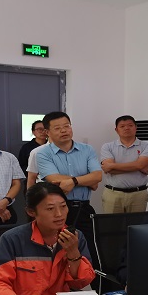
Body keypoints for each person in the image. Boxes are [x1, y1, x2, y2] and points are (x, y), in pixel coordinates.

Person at [36, 111, 102, 267]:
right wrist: (87, 180)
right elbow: (55, 179)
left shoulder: (87, 149)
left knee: (91, 252)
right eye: (58, 128)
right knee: (57, 252)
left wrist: (73, 181)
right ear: (47, 132)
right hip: (57, 211)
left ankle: (91, 281)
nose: (64, 130)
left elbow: (98, 176)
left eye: (66, 126)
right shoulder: (43, 154)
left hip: (84, 208)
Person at [100, 115, 148, 213]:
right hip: (113, 194)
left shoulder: (147, 146)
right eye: (122, 126)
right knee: (112, 223)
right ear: (116, 130)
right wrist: (137, 166)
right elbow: (109, 170)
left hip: (138, 194)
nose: (126, 128)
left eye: (130, 125)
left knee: (136, 223)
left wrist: (112, 165)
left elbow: (140, 165)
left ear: (136, 127)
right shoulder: (107, 147)